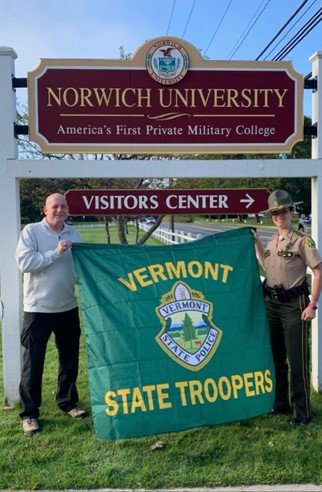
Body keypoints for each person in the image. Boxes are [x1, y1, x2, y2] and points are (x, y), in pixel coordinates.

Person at [16, 193, 86, 436]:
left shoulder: (72, 233)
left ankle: (68, 402)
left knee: (69, 359)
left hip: (67, 306)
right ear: (45, 210)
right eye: (55, 206)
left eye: (63, 206)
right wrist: (55, 252)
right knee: (33, 363)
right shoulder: (32, 231)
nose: (60, 210)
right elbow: (24, 263)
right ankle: (29, 414)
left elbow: (81, 264)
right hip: (38, 309)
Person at [253, 190, 322, 427]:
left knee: (297, 360)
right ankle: (280, 403)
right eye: (275, 213)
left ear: (291, 212)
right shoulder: (272, 240)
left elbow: (318, 271)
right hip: (272, 304)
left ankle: (301, 412)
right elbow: (267, 266)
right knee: (277, 358)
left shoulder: (302, 241)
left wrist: (313, 304)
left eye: (283, 211)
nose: (279, 216)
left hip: (295, 305)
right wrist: (256, 244)